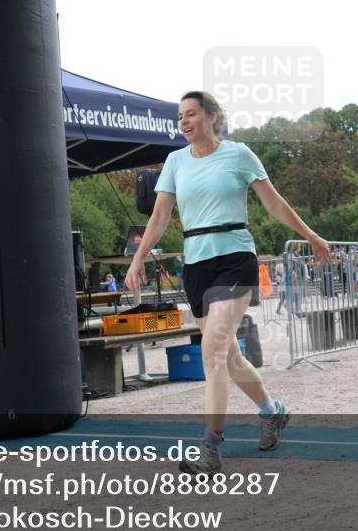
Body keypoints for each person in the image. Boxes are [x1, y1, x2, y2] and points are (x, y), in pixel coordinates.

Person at [124, 90, 329, 476]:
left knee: (213, 352)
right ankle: (272, 411)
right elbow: (160, 216)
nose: (184, 122)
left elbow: (274, 202)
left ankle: (211, 448)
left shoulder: (239, 154)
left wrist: (311, 235)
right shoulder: (175, 162)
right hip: (196, 264)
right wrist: (138, 259)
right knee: (230, 358)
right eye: (180, 116)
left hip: (235, 257)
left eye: (191, 114)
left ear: (212, 117)